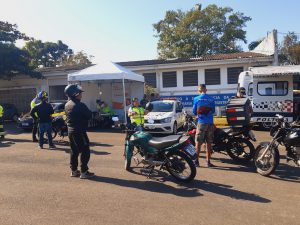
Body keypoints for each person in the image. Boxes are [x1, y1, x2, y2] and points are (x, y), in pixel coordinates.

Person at [64, 84, 94, 179]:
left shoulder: (67, 104)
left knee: (74, 150)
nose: (81, 95)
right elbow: (89, 115)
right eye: (80, 93)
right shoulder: (80, 105)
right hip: (79, 131)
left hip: (71, 131)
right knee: (85, 151)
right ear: (75, 93)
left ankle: (74, 171)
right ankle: (84, 172)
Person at [192, 84, 215, 168]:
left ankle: (196, 161)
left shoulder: (196, 99)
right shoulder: (211, 99)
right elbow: (213, 111)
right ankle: (208, 162)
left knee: (198, 143)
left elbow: (194, 112)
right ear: (206, 90)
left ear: (199, 90)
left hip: (201, 123)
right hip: (209, 123)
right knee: (209, 143)